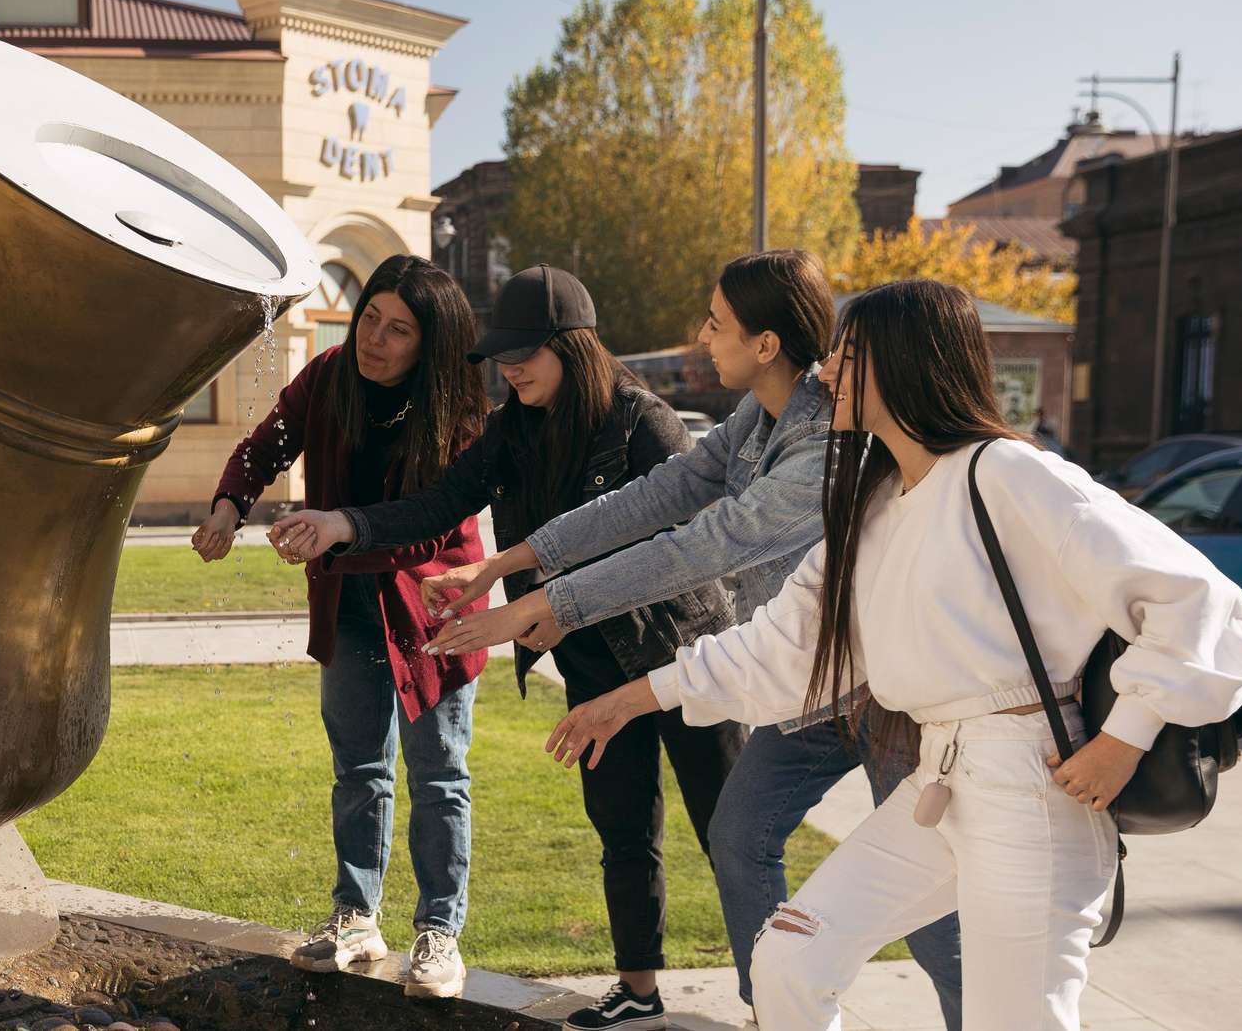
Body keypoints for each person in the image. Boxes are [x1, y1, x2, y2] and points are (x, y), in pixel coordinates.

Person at [548, 279, 1242, 1030]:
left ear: (907, 363)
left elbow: (1200, 601)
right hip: (940, 782)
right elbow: (778, 647)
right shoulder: (874, 503)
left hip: (1032, 792)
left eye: (848, 356)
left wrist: (1125, 738)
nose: (825, 373)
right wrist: (628, 700)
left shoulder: (1010, 475)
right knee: (791, 959)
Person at [418, 251, 965, 1026]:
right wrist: (513, 561)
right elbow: (661, 496)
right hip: (803, 683)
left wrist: (550, 604)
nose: (701, 336)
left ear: (766, 343)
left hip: (884, 696)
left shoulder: (826, 447)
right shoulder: (761, 415)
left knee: (933, 916)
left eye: (716, 322)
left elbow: (702, 545)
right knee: (741, 838)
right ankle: (773, 1012)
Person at [271, 263, 741, 1031]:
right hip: (593, 666)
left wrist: (551, 601)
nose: (509, 366)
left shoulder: (639, 421)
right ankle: (639, 997)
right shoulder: (513, 430)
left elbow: (682, 546)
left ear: (574, 346)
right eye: (503, 352)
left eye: (526, 350)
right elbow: (440, 502)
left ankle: (776, 1000)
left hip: (682, 658)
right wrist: (344, 524)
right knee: (625, 832)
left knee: (733, 836)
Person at [195, 254, 492, 998]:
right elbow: (269, 441)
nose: (376, 340)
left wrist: (338, 526)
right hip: (348, 600)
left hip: (434, 608)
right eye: (370, 320)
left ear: (430, 345)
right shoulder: (329, 376)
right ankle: (355, 917)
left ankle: (439, 932)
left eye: (399, 331)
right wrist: (230, 503)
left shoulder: (456, 405)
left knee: (439, 775)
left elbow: (431, 529)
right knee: (358, 767)